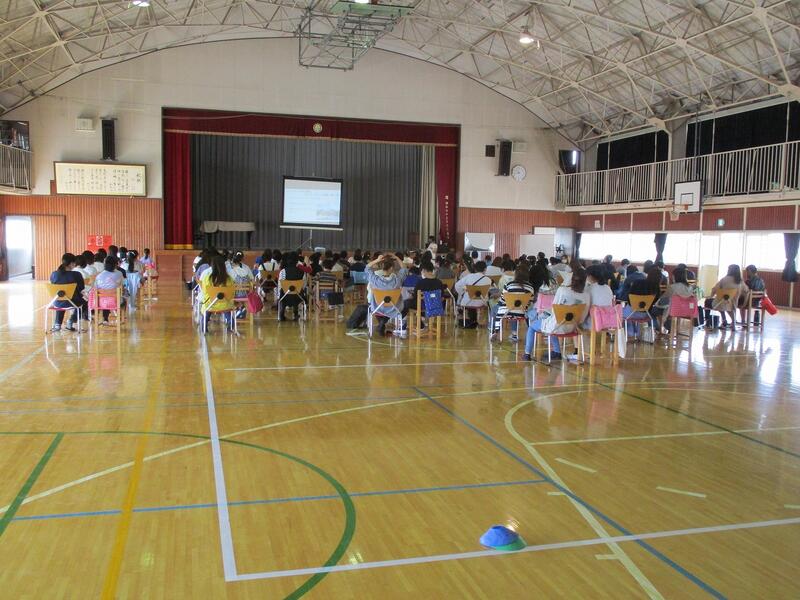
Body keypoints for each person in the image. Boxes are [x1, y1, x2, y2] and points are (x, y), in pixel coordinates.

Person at [523, 268, 588, 361]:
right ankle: (556, 352)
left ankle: (527, 354)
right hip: (573, 327)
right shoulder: (586, 295)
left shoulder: (562, 290)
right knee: (554, 324)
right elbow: (583, 315)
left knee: (532, 327)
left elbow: (555, 310)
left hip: (557, 325)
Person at [491, 265, 535, 342]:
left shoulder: (508, 285)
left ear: (516, 274)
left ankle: (495, 331)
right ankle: (514, 334)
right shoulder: (530, 287)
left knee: (495, 309)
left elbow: (503, 300)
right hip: (522, 312)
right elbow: (530, 302)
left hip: (506, 311)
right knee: (514, 312)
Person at [365, 254, 406, 336]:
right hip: (394, 308)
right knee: (399, 305)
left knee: (374, 304)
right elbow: (404, 269)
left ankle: (382, 322)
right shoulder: (397, 280)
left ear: (382, 267)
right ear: (391, 268)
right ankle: (383, 322)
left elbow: (367, 268)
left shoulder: (375, 280)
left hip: (377, 308)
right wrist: (397, 258)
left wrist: (377, 260)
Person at [49, 253, 87, 332]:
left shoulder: (54, 274)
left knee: (62, 297)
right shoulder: (76, 274)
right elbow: (81, 288)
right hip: (73, 302)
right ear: (71, 263)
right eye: (74, 263)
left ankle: (57, 324)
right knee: (85, 301)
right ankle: (72, 320)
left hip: (57, 302)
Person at [703, 264, 748, 329]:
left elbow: (714, 289)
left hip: (721, 303)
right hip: (733, 304)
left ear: (729, 270)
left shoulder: (724, 279)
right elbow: (746, 291)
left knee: (708, 301)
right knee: (725, 304)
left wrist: (711, 296)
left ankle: (708, 322)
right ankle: (732, 323)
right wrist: (744, 302)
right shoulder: (740, 281)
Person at [199, 255, 235, 330]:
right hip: (225, 305)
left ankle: (204, 327)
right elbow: (232, 293)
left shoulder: (207, 278)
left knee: (206, 309)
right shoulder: (229, 279)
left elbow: (205, 292)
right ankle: (231, 324)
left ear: (212, 266)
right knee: (227, 306)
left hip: (210, 305)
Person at [454, 260, 493, 329]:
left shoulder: (469, 276)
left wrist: (462, 293)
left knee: (465, 299)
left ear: (475, 269)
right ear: (485, 269)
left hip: (467, 302)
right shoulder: (488, 280)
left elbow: (457, 285)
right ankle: (479, 321)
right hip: (482, 302)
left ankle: (467, 321)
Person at [94, 255, 125, 325]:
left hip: (100, 302)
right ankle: (119, 317)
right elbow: (122, 285)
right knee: (122, 299)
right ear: (115, 264)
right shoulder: (119, 273)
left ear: (104, 264)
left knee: (105, 298)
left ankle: (105, 319)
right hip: (116, 301)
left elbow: (95, 288)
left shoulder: (99, 276)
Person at [277, 252, 308, 321]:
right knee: (298, 291)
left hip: (285, 296)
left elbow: (280, 285)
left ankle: (282, 312)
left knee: (283, 291)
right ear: (297, 261)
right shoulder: (302, 272)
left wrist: (279, 296)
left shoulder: (283, 271)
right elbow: (304, 285)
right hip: (298, 296)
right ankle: (296, 312)